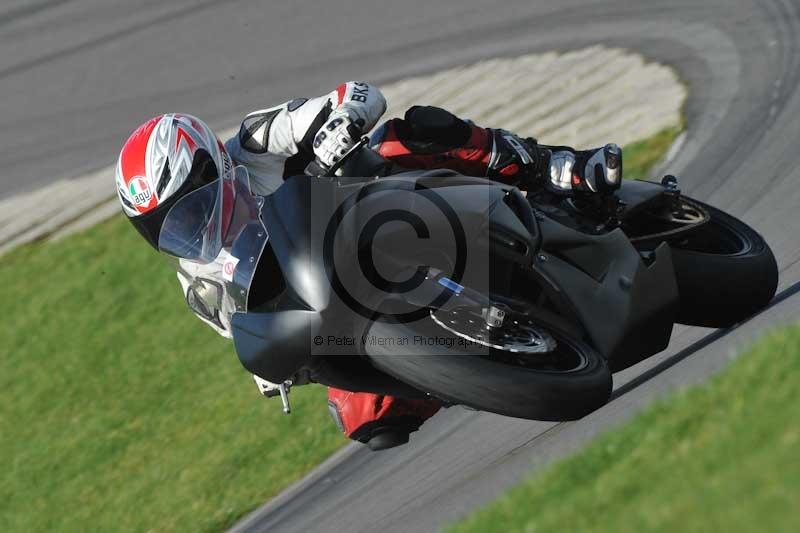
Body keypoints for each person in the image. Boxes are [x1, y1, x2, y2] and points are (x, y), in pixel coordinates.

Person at [114, 81, 623, 450]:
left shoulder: (254, 142)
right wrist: (273, 370)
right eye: (165, 227)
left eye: (192, 206)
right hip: (335, 299)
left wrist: (339, 124)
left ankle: (552, 167)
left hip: (372, 213)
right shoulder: (199, 284)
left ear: (215, 165)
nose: (189, 229)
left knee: (404, 136)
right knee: (366, 419)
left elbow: (357, 95)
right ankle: (480, 367)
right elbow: (247, 332)